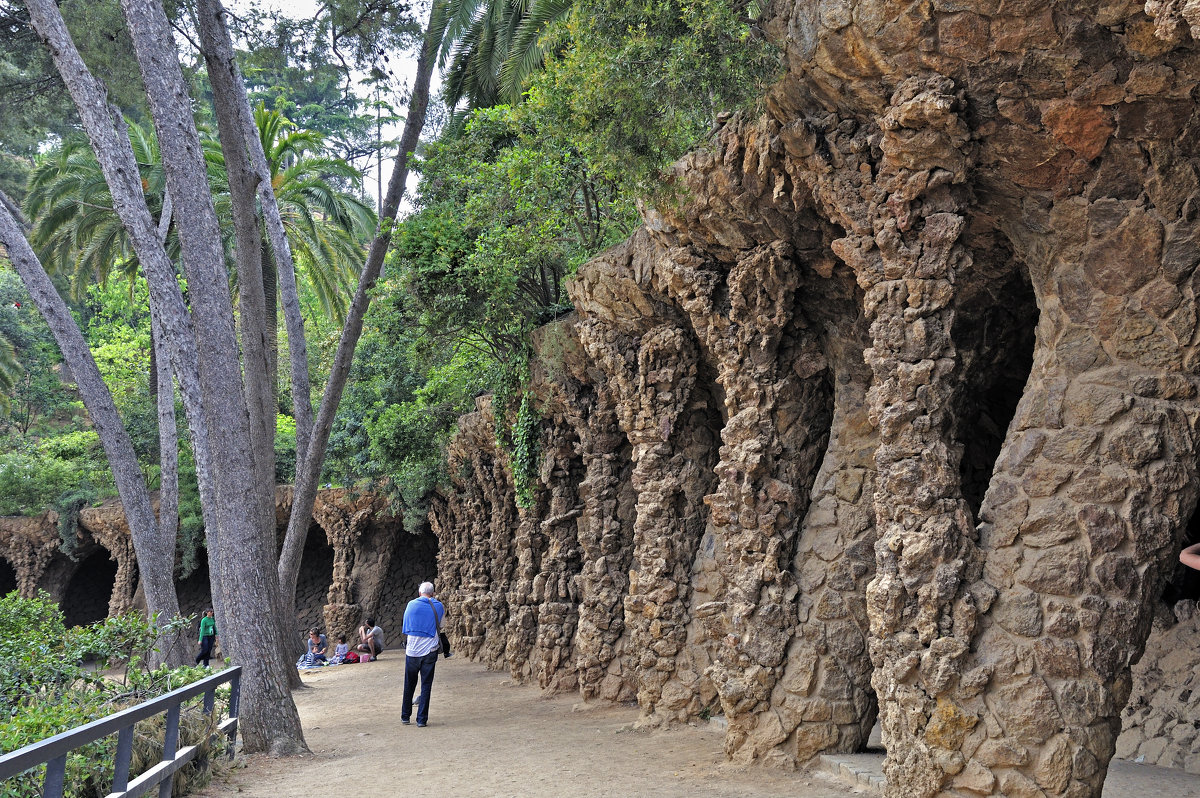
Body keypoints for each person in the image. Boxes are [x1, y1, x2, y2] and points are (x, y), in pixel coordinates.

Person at [401, 582, 445, 728]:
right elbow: (441, 625)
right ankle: (421, 720)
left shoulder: (410, 605)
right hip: (429, 652)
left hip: (412, 651)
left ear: (419, 593)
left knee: (409, 684)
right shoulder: (438, 606)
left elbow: (406, 626)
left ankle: (405, 716)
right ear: (432, 593)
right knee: (426, 686)